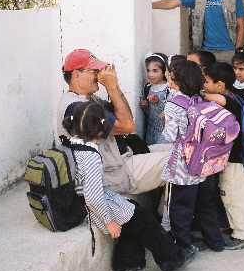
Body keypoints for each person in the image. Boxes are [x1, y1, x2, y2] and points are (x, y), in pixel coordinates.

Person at [62, 101, 198, 271]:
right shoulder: (91, 155)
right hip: (90, 206)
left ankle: (127, 261)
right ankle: (173, 259)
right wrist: (108, 221)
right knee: (143, 218)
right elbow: (93, 196)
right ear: (102, 128)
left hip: (80, 199)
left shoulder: (73, 143)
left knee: (133, 212)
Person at [57, 49, 170, 195]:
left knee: (182, 151)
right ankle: (170, 216)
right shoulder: (76, 107)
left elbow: (126, 116)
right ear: (76, 74)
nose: (98, 75)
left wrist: (114, 87)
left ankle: (165, 212)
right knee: (181, 160)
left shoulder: (90, 99)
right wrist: (111, 87)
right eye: (94, 70)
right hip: (114, 174)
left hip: (123, 159)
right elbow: (128, 126)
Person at [161, 60, 224, 252]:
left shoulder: (173, 104)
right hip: (202, 161)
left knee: (179, 206)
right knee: (204, 203)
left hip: (182, 164)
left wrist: (165, 120)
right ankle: (215, 242)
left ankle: (183, 244)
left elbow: (170, 136)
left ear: (178, 80)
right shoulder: (199, 100)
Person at [201, 62, 244, 250]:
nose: (204, 85)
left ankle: (242, 235)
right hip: (243, 157)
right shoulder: (237, 97)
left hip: (234, 160)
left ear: (219, 85)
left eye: (207, 82)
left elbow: (217, 99)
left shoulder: (228, 100)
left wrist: (200, 94)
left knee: (233, 196)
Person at [140, 53, 169, 145]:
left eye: (155, 71)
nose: (150, 75)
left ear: (164, 71)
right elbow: (149, 113)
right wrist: (145, 107)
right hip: (150, 130)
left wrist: (158, 103)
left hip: (165, 132)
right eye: (148, 70)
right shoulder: (147, 88)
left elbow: (170, 112)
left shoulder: (169, 88)